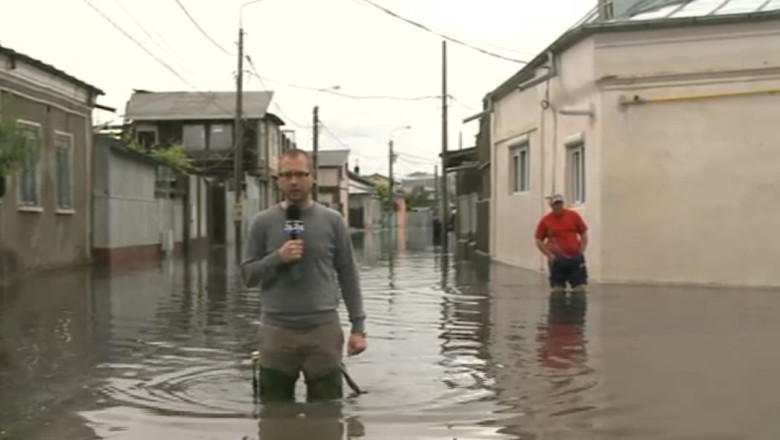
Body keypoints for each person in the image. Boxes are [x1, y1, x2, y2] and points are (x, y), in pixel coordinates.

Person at [241, 148, 367, 403]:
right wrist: (278, 258)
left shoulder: (332, 221)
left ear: (313, 178)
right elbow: (248, 276)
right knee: (273, 416)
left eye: (300, 174)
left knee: (328, 414)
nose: (294, 181)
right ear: (278, 180)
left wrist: (358, 328)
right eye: (287, 175)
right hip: (277, 332)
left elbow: (348, 274)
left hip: (322, 331)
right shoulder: (262, 222)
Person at [534, 194, 589, 294]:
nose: (558, 206)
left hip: (575, 258)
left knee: (580, 289)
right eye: (556, 204)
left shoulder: (573, 216)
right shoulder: (546, 220)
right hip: (557, 260)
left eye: (560, 203)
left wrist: (581, 250)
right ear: (551, 205)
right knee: (558, 290)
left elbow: (583, 233)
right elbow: (538, 240)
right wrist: (549, 254)